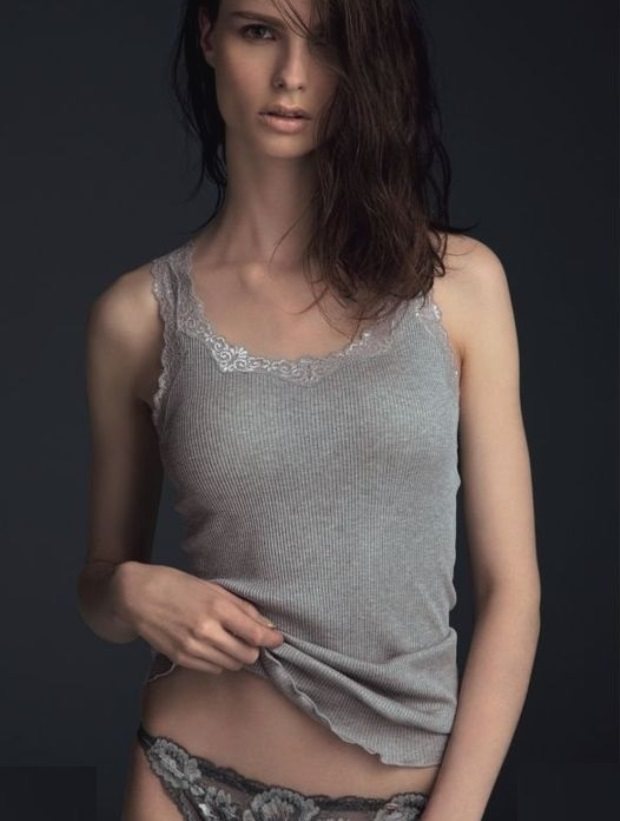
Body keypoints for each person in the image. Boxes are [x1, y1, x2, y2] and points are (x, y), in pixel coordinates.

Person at [77, 1, 541, 819]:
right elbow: (100, 588)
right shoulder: (138, 316)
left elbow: (512, 592)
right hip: (185, 781)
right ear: (209, 35)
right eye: (260, 31)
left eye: (326, 42)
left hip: (410, 799)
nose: (293, 76)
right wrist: (131, 591)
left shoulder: (460, 286)